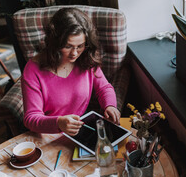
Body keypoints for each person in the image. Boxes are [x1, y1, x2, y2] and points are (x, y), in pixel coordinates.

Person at [21, 7, 120, 136]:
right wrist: (58, 123)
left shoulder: (86, 58)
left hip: (78, 131)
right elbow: (31, 118)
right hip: (48, 134)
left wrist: (110, 105)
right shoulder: (33, 69)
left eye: (80, 46)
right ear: (55, 42)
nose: (74, 53)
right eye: (68, 46)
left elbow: (104, 88)